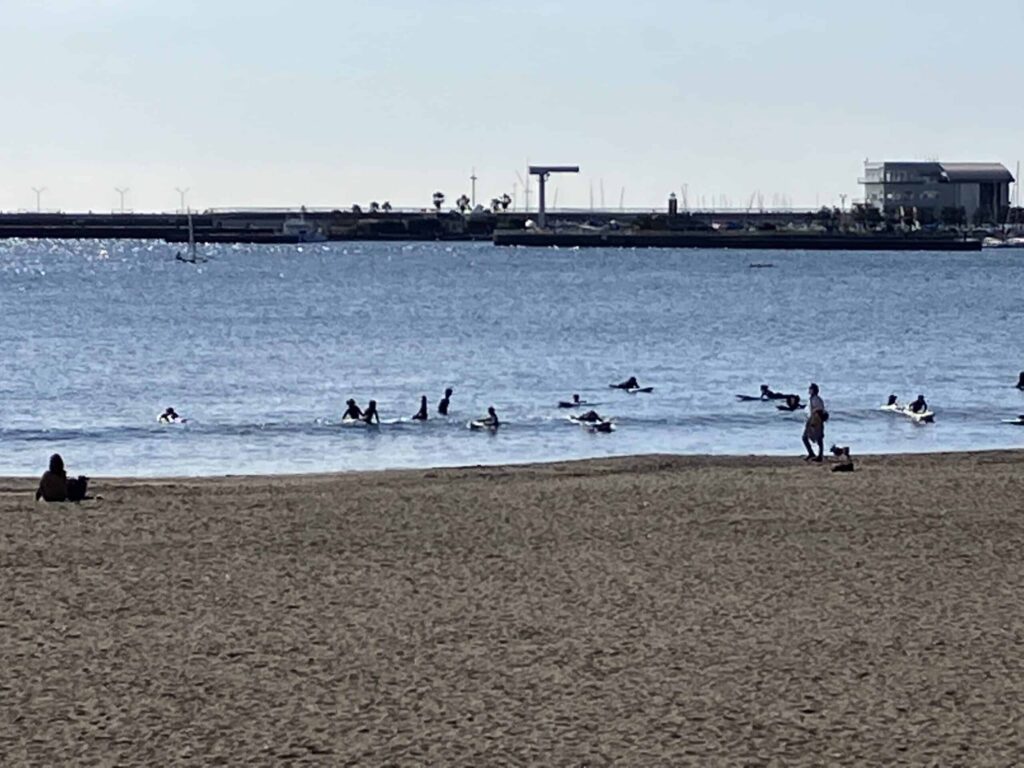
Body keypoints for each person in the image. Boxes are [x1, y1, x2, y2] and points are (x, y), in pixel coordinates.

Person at [802, 383, 826, 462]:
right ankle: (813, 453)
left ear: (813, 390)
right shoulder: (813, 399)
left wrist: (814, 421)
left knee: (817, 438)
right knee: (806, 437)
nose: (809, 390)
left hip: (816, 420)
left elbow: (819, 411)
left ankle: (818, 455)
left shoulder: (816, 399)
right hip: (812, 420)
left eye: (810, 389)